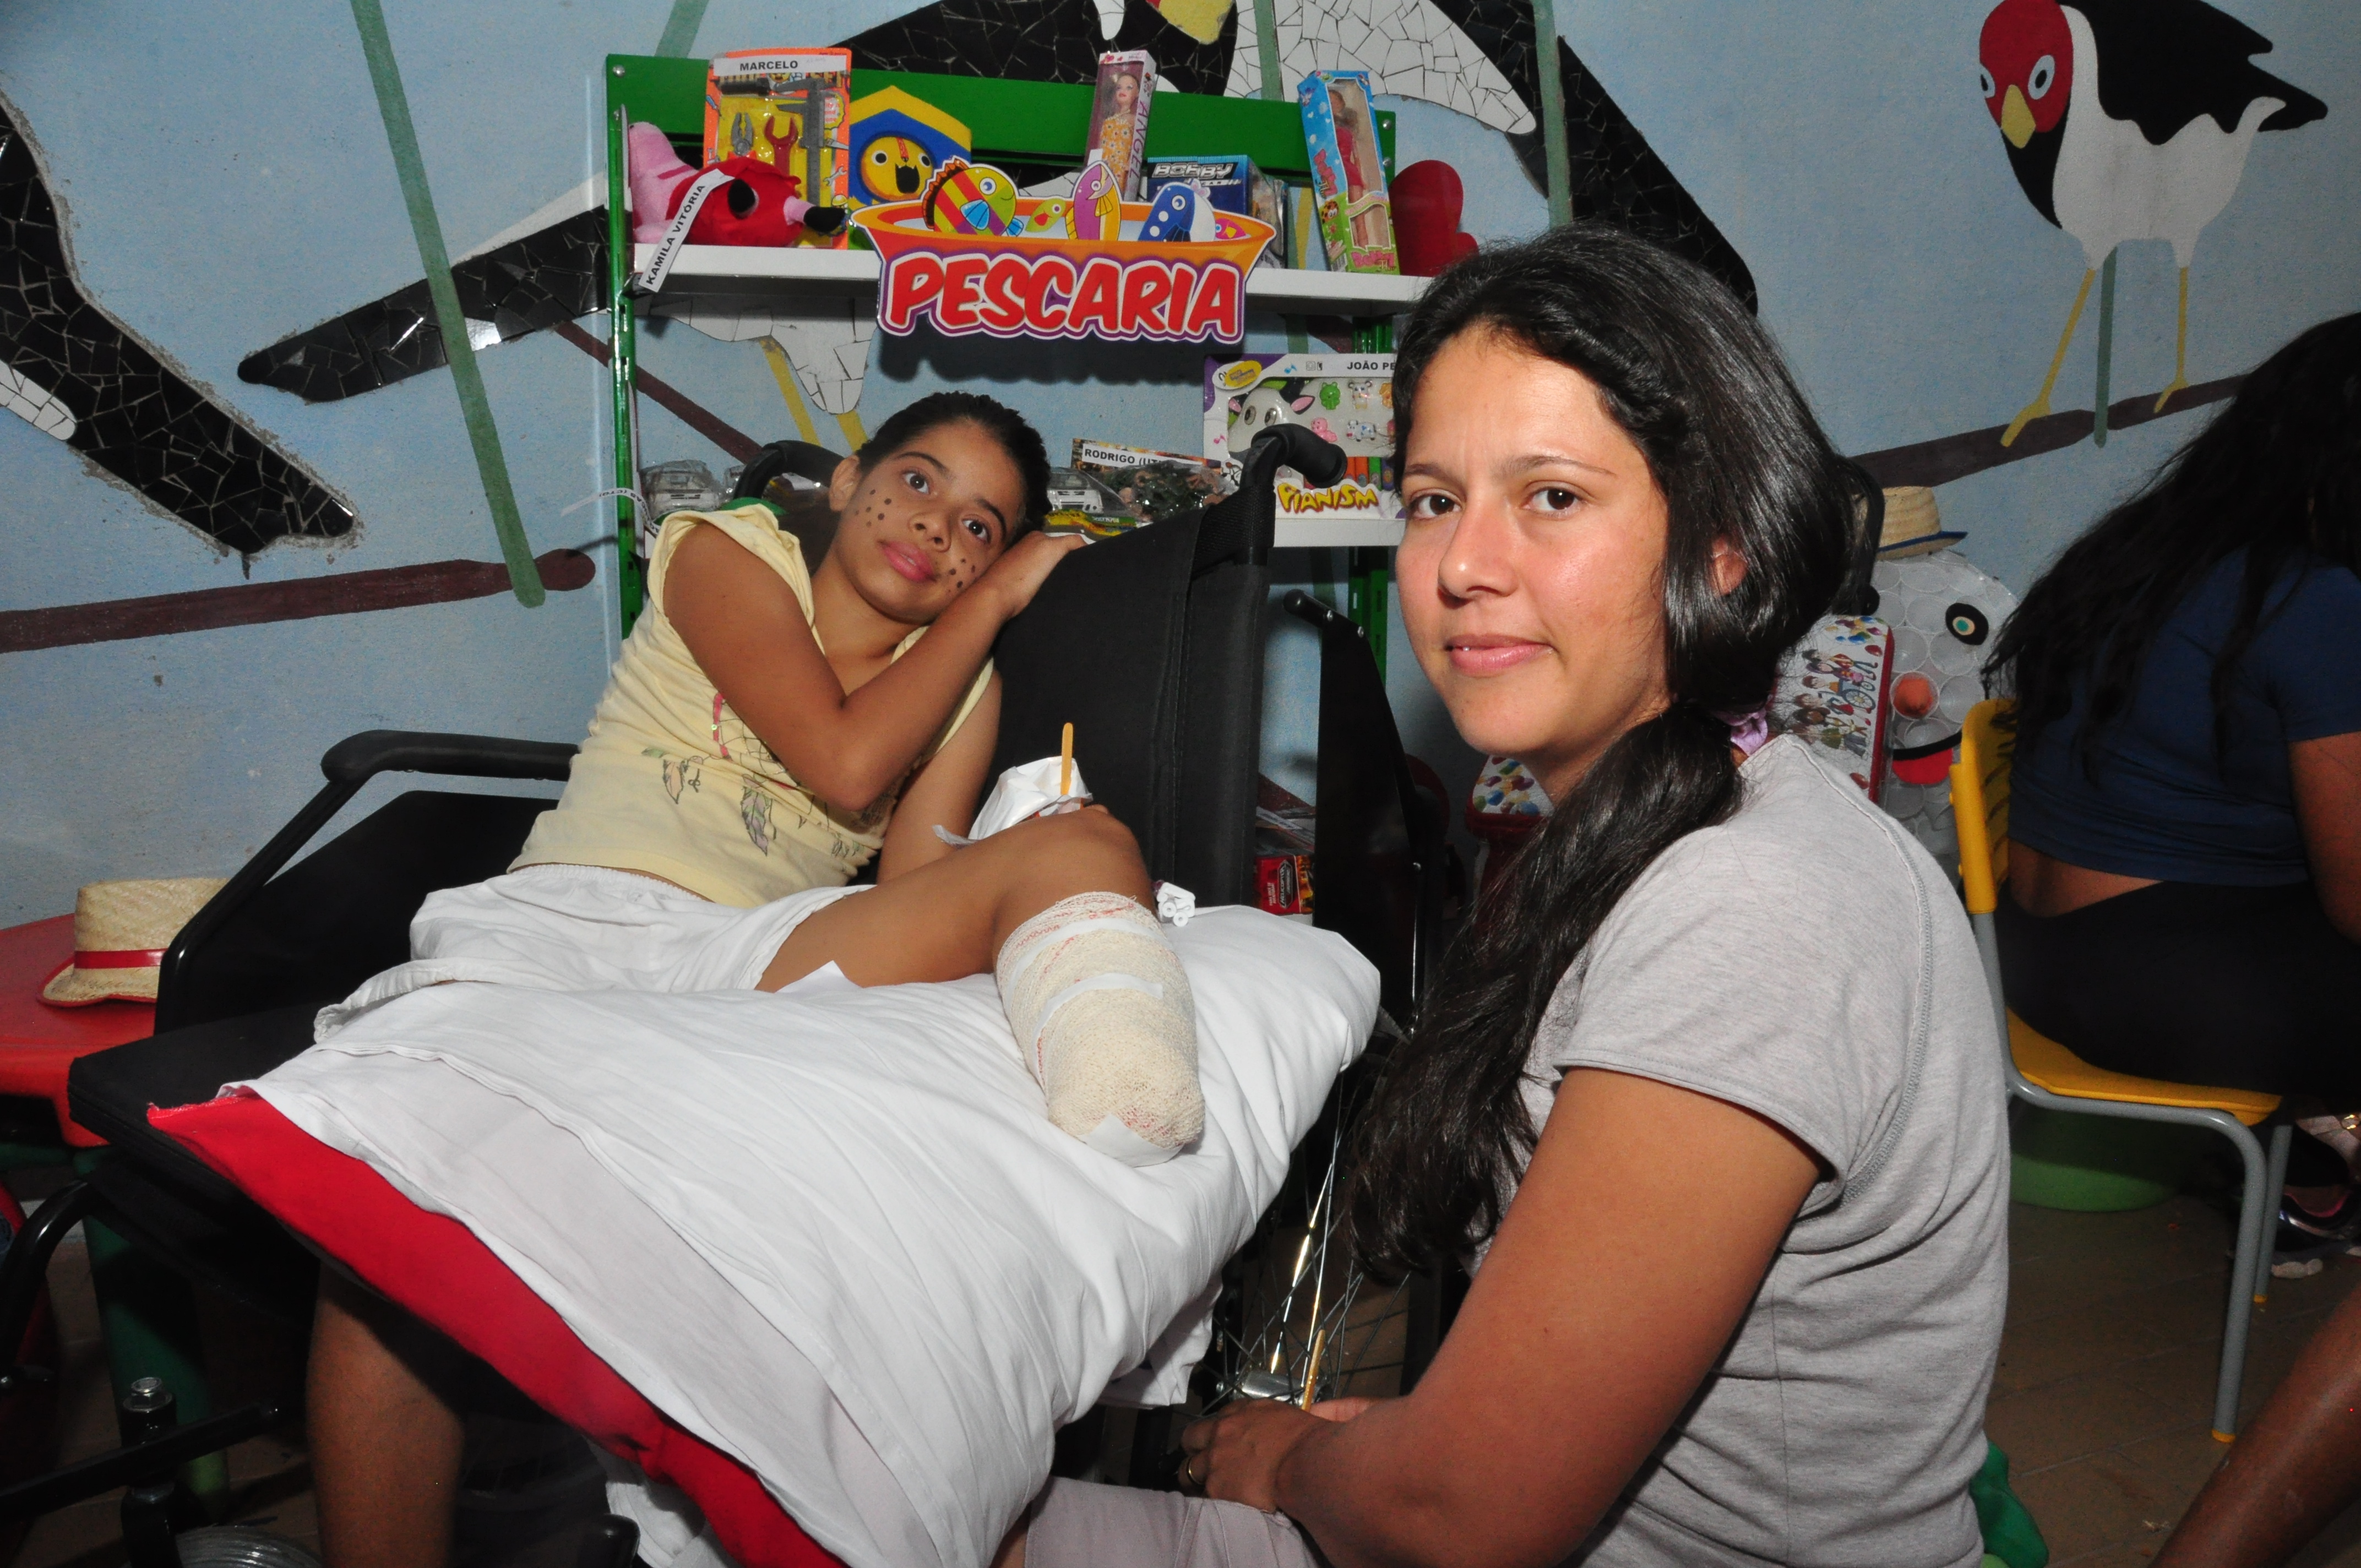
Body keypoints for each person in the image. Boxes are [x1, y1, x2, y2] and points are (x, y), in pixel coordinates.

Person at [1006, 222, 2010, 1567]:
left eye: (1550, 496)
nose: (1459, 564)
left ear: (1722, 546)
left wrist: (1286, 1458)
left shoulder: (1752, 906)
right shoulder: (1623, 828)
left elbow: (1466, 1517)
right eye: (1432, 498)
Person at [309, 392, 1205, 1568]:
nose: (938, 529)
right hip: (572, 921)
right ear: (848, 480)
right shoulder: (727, 550)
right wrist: (993, 602)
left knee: (1074, 847)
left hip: (740, 959)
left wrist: (1039, 864)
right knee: (388, 1220)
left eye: (982, 529)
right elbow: (845, 764)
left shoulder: (960, 686)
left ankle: (1123, 1122)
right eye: (919, 482)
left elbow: (911, 882)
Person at [1987, 314, 2361, 1229]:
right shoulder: (2318, 599)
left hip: (2023, 953)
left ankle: (2309, 1174)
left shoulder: (2142, 551)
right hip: (2160, 989)